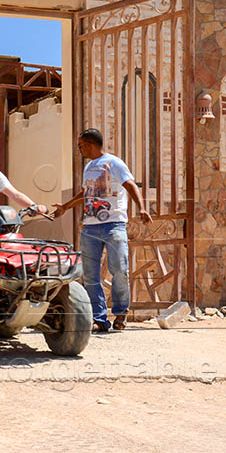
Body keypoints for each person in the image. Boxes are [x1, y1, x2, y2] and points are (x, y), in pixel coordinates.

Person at [52, 128, 152, 333]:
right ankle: (99, 318)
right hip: (89, 227)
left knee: (120, 270)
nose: (79, 149)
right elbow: (85, 193)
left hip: (114, 224)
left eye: (80, 146)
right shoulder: (89, 167)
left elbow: (130, 184)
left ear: (89, 144)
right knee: (90, 275)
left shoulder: (114, 163)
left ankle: (121, 311)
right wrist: (66, 207)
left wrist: (141, 207)